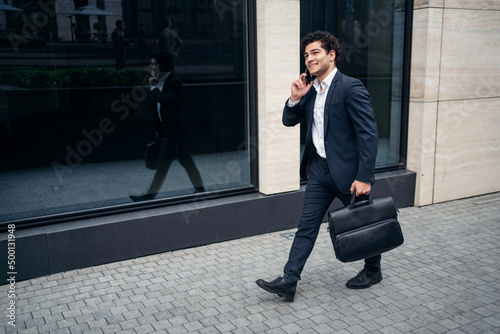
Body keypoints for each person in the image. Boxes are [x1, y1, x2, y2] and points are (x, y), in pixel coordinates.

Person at [255, 31, 379, 302]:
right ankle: (289, 281)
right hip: (320, 172)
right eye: (306, 55)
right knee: (306, 226)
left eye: (315, 53)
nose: (309, 59)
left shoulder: (350, 87)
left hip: (349, 174)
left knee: (364, 223)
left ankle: (373, 269)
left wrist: (364, 176)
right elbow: (289, 121)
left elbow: (368, 134)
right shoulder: (311, 91)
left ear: (331, 55)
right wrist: (295, 97)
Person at [129, 52, 205, 202]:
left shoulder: (174, 83)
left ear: (162, 65)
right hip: (168, 133)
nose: (151, 66)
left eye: (154, 64)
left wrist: (154, 89)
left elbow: (167, 102)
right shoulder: (161, 81)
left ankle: (149, 195)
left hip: (174, 133)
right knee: (186, 161)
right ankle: (200, 190)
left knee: (163, 163)